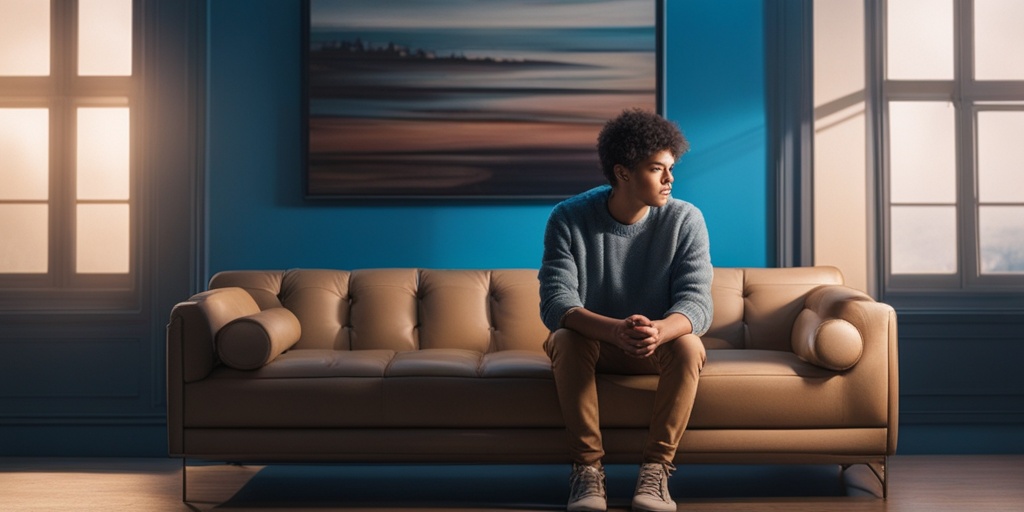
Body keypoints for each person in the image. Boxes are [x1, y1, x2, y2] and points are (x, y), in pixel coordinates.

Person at [539, 108, 713, 512]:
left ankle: (656, 472)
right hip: (596, 347)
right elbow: (556, 302)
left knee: (689, 346)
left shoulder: (687, 220)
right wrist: (615, 330)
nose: (671, 179)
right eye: (658, 169)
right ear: (622, 173)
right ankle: (587, 473)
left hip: (659, 346)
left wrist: (659, 331)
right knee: (565, 338)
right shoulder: (568, 217)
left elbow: (697, 303)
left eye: (671, 168)